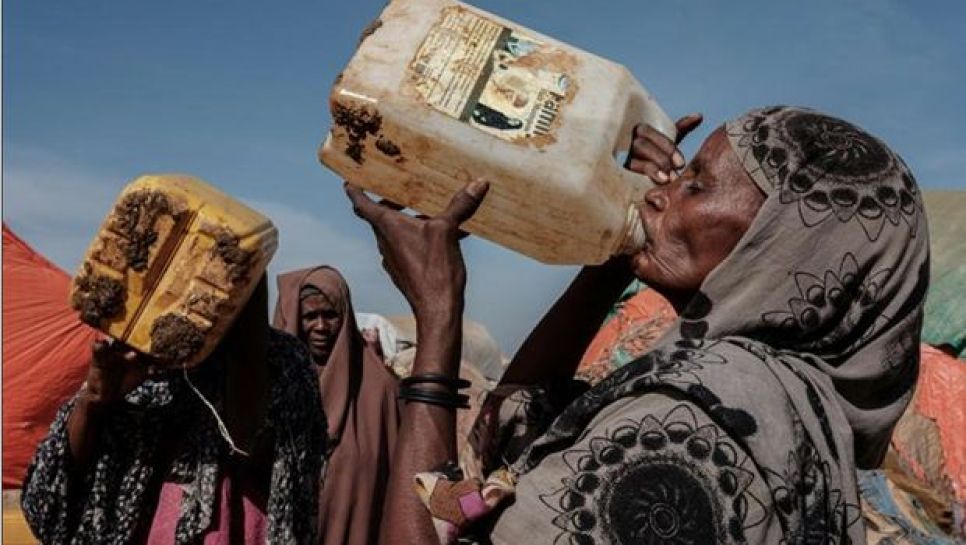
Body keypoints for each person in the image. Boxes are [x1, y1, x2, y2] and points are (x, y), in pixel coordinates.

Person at [346, 105, 929, 544]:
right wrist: (611, 256)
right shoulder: (781, 399)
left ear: (780, 249)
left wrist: (439, 316)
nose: (657, 194)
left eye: (695, 185)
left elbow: (443, 515)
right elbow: (512, 437)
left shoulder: (693, 424)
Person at [21, 276, 326, 544]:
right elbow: (46, 506)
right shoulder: (137, 356)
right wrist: (94, 401)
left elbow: (290, 474)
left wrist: (246, 360)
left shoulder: (283, 360)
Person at [273, 266, 400, 545]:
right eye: (310, 316)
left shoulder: (380, 391)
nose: (321, 327)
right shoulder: (270, 381)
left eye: (330, 315)